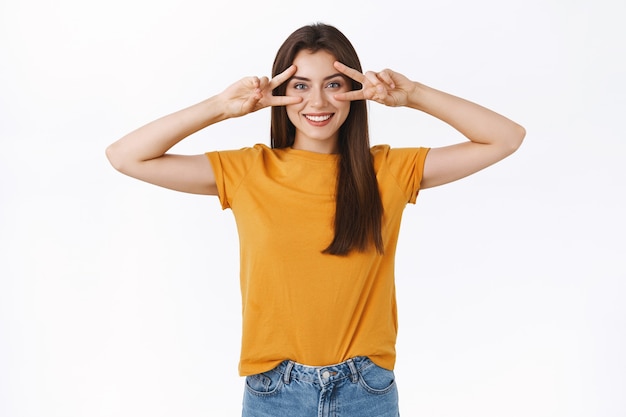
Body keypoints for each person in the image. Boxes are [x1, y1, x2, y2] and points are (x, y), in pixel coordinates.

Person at [106, 23, 524, 417]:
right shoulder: (250, 171)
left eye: (334, 85)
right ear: (279, 93)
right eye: (300, 86)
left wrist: (412, 94)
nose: (318, 102)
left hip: (366, 391)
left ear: (354, 90)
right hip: (274, 392)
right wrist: (221, 107)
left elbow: (506, 137)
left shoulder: (389, 171)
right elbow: (125, 156)